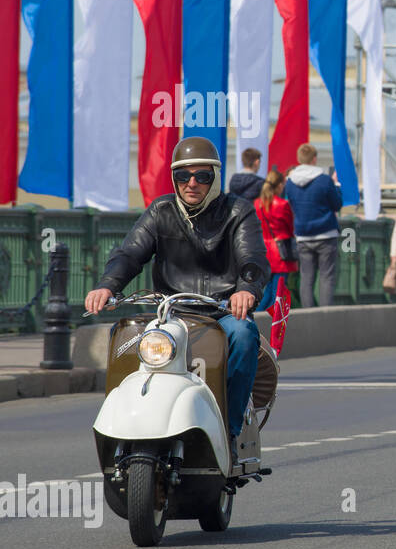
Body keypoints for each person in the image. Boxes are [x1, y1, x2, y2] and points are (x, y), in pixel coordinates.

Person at [84, 138, 269, 465]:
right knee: (125, 338)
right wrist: (107, 286)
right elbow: (130, 254)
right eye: (183, 176)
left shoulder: (238, 211)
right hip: (171, 313)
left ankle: (229, 426)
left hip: (221, 311)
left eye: (202, 176)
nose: (192, 183)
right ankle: (124, 426)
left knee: (243, 336)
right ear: (174, 179)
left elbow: (252, 259)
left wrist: (246, 289)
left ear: (215, 177)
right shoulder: (161, 210)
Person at [282, 143, 342, 307]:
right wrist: (336, 187)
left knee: (306, 277)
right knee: (326, 277)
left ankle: (306, 313)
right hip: (326, 234)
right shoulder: (324, 180)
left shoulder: (290, 182)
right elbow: (337, 204)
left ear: (299, 159)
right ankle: (325, 315)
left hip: (302, 234)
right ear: (314, 159)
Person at [254, 169, 297, 312]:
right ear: (279, 186)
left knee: (268, 291)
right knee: (278, 293)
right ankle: (273, 322)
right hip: (280, 252)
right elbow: (290, 228)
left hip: (264, 250)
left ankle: (257, 316)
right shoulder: (282, 204)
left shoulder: (257, 203)